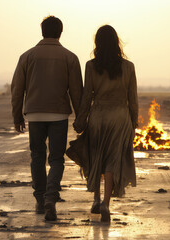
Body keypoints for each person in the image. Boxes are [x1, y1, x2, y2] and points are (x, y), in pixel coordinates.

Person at [11, 16, 83, 221]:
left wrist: (17, 115)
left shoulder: (27, 56)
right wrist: (81, 118)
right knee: (56, 158)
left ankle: (40, 200)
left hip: (34, 113)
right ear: (60, 32)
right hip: (59, 114)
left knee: (37, 156)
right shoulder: (70, 57)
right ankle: (51, 196)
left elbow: (17, 89)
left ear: (42, 31)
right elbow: (77, 91)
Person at [67, 25, 138, 222]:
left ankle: (96, 199)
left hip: (98, 116)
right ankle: (106, 203)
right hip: (120, 117)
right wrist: (134, 123)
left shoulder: (91, 66)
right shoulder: (129, 67)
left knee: (95, 158)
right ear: (117, 42)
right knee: (113, 160)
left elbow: (86, 97)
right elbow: (133, 99)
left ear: (97, 43)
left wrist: (80, 121)